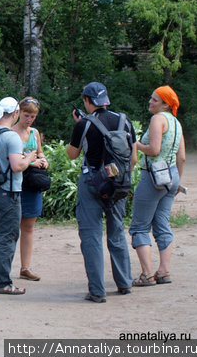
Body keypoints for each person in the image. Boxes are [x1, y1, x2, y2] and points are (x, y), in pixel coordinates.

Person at [66, 82, 137, 303]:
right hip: (118, 182)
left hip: (92, 181)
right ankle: (124, 283)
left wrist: (79, 125)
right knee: (116, 232)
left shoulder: (84, 125)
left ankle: (97, 291)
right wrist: (115, 176)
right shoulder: (125, 122)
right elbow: (133, 159)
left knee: (91, 236)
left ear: (87, 101)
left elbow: (72, 154)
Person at [0, 97, 38, 295]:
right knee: (7, 236)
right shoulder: (11, 136)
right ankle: (2, 282)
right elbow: (17, 166)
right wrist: (30, 157)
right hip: (8, 191)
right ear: (15, 114)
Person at [129, 86, 186, 286]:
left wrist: (136, 145)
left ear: (165, 104)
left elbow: (154, 150)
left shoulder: (158, 119)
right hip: (171, 178)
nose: (150, 102)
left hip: (153, 178)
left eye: (155, 100)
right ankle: (164, 271)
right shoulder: (176, 123)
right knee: (162, 224)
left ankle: (146, 274)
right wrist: (177, 181)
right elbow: (182, 157)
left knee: (139, 226)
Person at [11, 96, 49, 282]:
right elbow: (15, 160)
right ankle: (3, 266)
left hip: (33, 184)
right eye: (27, 115)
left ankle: (25, 267)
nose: (29, 120)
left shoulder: (34, 133)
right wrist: (32, 161)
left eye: (33, 116)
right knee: (11, 227)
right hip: (16, 184)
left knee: (29, 226)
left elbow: (39, 152)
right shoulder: (11, 132)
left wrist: (43, 160)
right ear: (18, 113)